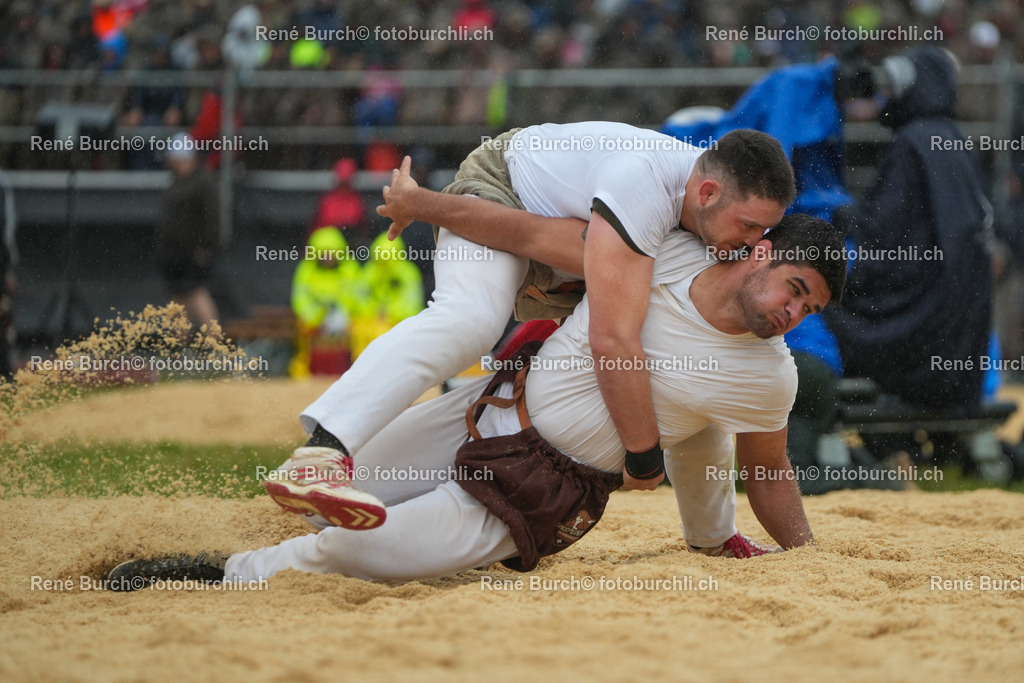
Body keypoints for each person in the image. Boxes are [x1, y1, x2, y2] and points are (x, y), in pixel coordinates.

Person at [106, 214, 845, 588]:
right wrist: (435, 205)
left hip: (537, 489)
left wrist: (790, 551)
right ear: (760, 251)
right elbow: (537, 225)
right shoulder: (667, 248)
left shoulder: (767, 374)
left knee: (364, 548)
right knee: (332, 492)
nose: (793, 312)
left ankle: (216, 575)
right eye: (796, 288)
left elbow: (760, 465)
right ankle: (257, 540)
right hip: (483, 407)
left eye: (809, 308)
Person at [301, 122, 795, 498]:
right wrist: (421, 203)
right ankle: (324, 449)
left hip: (559, 260)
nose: (752, 244)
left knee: (540, 375)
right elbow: (531, 238)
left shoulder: (707, 217)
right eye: (748, 226)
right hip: (503, 191)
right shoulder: (642, 189)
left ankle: (375, 481)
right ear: (707, 193)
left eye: (763, 234)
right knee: (470, 320)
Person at [824, 47, 993, 464]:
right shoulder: (954, 140)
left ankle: (823, 433)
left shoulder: (912, 145)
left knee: (819, 308)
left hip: (917, 326)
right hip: (958, 333)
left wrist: (842, 219)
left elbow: (881, 243)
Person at [156, 134, 220, 331]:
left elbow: (212, 218)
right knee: (177, 299)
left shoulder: (202, 182)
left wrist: (205, 246)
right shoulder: (177, 181)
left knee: (196, 293)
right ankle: (179, 349)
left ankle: (215, 345)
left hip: (192, 251)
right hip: (172, 252)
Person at [289, 227, 362, 377]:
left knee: (362, 330)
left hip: (345, 318)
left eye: (332, 253)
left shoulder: (349, 267)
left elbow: (356, 295)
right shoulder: (306, 269)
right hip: (315, 319)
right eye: (324, 253)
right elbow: (300, 298)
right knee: (304, 330)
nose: (328, 257)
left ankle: (356, 371)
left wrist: (341, 312)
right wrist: (317, 316)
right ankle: (303, 372)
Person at [348, 233, 424, 358]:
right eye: (380, 259)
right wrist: (374, 310)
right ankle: (364, 365)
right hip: (372, 321)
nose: (383, 263)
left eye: (387, 259)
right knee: (361, 329)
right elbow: (358, 299)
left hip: (399, 322)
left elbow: (412, 304)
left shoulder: (408, 273)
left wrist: (389, 312)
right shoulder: (369, 271)